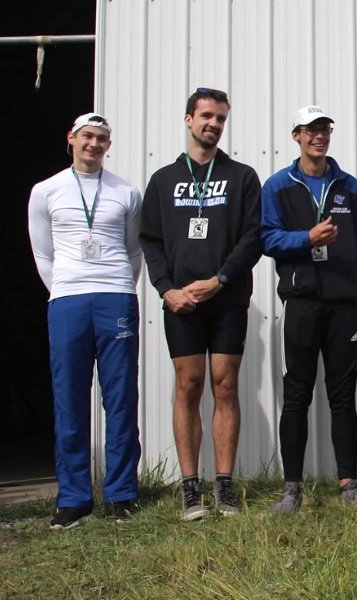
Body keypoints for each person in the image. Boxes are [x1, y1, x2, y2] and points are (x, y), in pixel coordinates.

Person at [139, 88, 263, 520]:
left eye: (221, 118)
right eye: (206, 116)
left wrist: (219, 279)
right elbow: (150, 241)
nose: (213, 124)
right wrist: (166, 288)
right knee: (188, 386)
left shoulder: (243, 176)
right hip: (180, 302)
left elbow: (253, 236)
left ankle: (223, 486)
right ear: (189, 119)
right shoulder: (163, 180)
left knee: (224, 385)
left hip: (226, 298)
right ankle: (190, 487)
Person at [28, 112, 143, 529]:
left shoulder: (126, 192)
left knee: (120, 397)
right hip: (68, 300)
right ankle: (74, 498)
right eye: (88, 137)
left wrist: (119, 288)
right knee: (70, 399)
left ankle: (121, 494)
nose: (94, 144)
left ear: (109, 145)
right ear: (71, 139)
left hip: (115, 297)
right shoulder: (46, 191)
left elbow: (133, 252)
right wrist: (62, 289)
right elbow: (43, 254)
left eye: (102, 139)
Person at [260, 106, 357, 511]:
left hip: (342, 304)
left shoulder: (349, 187)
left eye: (324, 129)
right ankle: (291, 488)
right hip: (302, 302)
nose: (319, 136)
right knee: (297, 394)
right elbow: (268, 240)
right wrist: (307, 238)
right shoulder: (277, 186)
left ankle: (349, 485)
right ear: (296, 136)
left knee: (343, 396)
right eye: (310, 130)